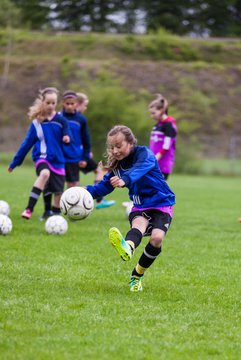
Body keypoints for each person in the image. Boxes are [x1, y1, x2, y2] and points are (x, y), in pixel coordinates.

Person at [85, 125, 175, 292]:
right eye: (112, 147)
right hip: (140, 205)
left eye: (119, 146)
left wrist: (125, 179)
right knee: (138, 226)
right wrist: (83, 193)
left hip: (162, 203)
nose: (115, 150)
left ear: (131, 143)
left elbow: (140, 169)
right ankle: (128, 247)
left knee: (156, 239)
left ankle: (136, 275)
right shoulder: (117, 167)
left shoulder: (145, 154)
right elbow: (102, 188)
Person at [8, 87, 71, 220]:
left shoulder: (61, 120)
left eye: (53, 103)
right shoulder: (37, 123)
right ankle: (29, 209)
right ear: (42, 102)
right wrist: (15, 162)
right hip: (42, 158)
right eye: (48, 102)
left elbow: (67, 132)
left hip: (58, 160)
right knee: (45, 174)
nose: (50, 105)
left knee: (58, 192)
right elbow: (26, 144)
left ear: (56, 103)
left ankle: (54, 216)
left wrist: (66, 138)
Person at [64, 90, 115, 209]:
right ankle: (74, 204)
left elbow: (84, 138)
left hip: (81, 154)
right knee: (73, 183)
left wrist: (86, 153)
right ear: (79, 104)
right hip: (72, 156)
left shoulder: (81, 119)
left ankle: (97, 200)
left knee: (98, 170)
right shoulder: (65, 118)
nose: (85, 108)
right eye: (85, 105)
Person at [149, 94, 177, 181]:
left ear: (162, 110)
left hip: (162, 164)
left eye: (153, 113)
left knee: (159, 191)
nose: (152, 116)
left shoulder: (168, 125)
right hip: (154, 163)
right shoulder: (157, 125)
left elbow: (166, 146)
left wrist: (156, 158)